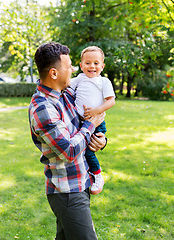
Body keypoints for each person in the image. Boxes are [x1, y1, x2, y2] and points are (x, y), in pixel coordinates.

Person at [28, 42, 107, 240]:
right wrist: (90, 126)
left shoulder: (68, 94)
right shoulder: (43, 108)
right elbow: (69, 150)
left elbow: (90, 118)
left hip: (81, 182)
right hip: (67, 191)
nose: (73, 69)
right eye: (69, 66)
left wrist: (101, 139)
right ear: (54, 73)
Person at [70, 46, 115, 195]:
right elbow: (66, 88)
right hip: (79, 122)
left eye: (96, 63)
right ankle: (86, 173)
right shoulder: (79, 79)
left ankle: (97, 175)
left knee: (89, 152)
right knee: (78, 149)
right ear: (81, 65)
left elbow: (111, 101)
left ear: (102, 66)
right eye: (88, 63)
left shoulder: (104, 82)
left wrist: (96, 110)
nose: (92, 66)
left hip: (97, 122)